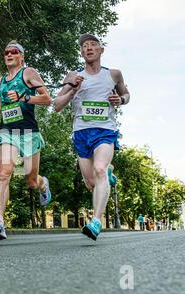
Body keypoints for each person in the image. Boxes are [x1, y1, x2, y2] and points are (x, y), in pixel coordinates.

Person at [54, 34, 130, 241]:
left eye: (92, 45)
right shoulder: (73, 76)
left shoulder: (113, 75)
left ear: (101, 50)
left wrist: (120, 99)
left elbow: (127, 95)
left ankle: (96, 222)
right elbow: (57, 105)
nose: (88, 48)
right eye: (84, 46)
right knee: (90, 182)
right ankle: (109, 173)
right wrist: (73, 90)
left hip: (105, 131)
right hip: (81, 133)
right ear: (81, 52)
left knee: (99, 170)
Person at [0, 40, 52, 240]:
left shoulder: (28, 73)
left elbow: (47, 99)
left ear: (22, 56)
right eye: (6, 52)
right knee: (4, 173)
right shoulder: (1, 81)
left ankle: (42, 184)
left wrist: (23, 97)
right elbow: (7, 107)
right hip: (8, 130)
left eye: (14, 51)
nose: (9, 54)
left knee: (31, 180)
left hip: (29, 132)